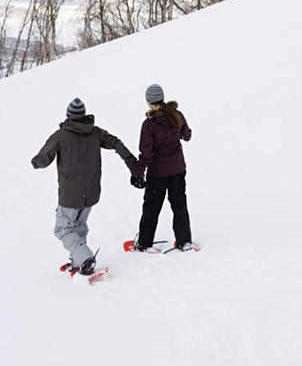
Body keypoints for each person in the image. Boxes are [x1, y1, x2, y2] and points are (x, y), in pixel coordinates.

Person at [31, 98, 136, 275]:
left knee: (62, 229)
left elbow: (43, 158)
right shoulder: (96, 133)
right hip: (91, 193)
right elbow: (116, 142)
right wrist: (132, 163)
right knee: (78, 227)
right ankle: (78, 262)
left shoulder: (60, 136)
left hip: (70, 194)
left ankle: (85, 259)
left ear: (69, 116)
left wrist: (36, 162)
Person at [130, 84, 194, 252]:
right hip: (178, 170)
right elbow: (187, 136)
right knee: (179, 205)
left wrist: (137, 173)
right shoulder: (177, 115)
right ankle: (184, 241)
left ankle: (144, 243)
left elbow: (145, 153)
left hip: (157, 174)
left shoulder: (149, 124)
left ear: (150, 102)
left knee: (151, 207)